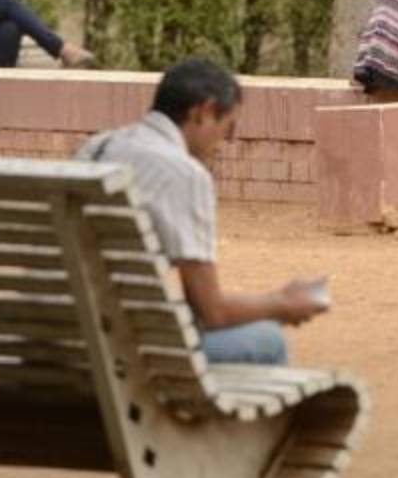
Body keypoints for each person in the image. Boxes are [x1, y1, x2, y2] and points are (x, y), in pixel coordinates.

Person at [75, 57, 327, 365]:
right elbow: (213, 313)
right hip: (114, 352)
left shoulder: (96, 148)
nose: (228, 140)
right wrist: (283, 304)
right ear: (204, 112)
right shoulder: (186, 175)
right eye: (228, 127)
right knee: (268, 341)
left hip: (56, 334)